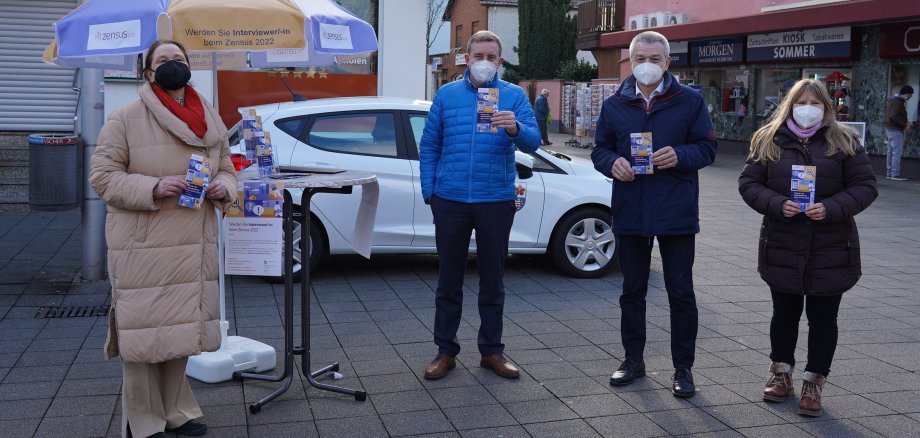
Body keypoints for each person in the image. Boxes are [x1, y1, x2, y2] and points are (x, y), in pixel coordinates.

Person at [89, 40, 237, 438]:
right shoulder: (124, 117)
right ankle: (143, 421)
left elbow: (226, 167)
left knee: (180, 331)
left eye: (180, 59)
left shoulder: (208, 115)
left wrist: (225, 187)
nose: (173, 65)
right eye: (164, 60)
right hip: (144, 241)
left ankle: (178, 410)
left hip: (193, 240)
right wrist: (154, 186)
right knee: (142, 333)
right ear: (148, 71)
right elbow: (102, 178)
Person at [739, 79, 877, 417]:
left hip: (831, 247)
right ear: (790, 104)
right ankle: (780, 373)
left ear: (827, 107)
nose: (808, 108)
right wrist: (777, 203)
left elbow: (866, 186)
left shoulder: (845, 141)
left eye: (816, 103)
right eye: (802, 101)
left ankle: (814, 383)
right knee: (784, 314)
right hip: (783, 243)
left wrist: (832, 207)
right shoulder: (768, 138)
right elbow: (749, 183)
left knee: (823, 319)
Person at [591, 30, 717, 399]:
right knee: (632, 292)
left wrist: (680, 155)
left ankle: (683, 368)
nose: (648, 66)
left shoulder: (690, 101)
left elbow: (707, 148)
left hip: (676, 210)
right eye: (640, 59)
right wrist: (612, 163)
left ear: (667, 62)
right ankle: (633, 360)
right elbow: (600, 150)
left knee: (681, 293)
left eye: (655, 59)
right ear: (630, 61)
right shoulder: (615, 104)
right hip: (631, 208)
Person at [419, 30, 540, 380]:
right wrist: (432, 193)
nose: (485, 62)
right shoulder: (446, 95)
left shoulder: (514, 95)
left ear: (500, 61)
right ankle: (445, 351)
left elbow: (534, 142)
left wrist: (516, 128)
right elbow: (430, 147)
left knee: (493, 280)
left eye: (492, 57)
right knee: (448, 281)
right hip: (451, 200)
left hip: (495, 200)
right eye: (479, 56)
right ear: (466, 58)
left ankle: (492, 351)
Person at [885, 85, 913, 180]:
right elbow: (893, 116)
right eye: (910, 94)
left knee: (891, 152)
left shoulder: (893, 100)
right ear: (907, 93)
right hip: (895, 129)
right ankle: (895, 174)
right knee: (896, 152)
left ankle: (889, 173)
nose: (910, 97)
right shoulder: (898, 102)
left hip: (890, 128)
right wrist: (905, 125)